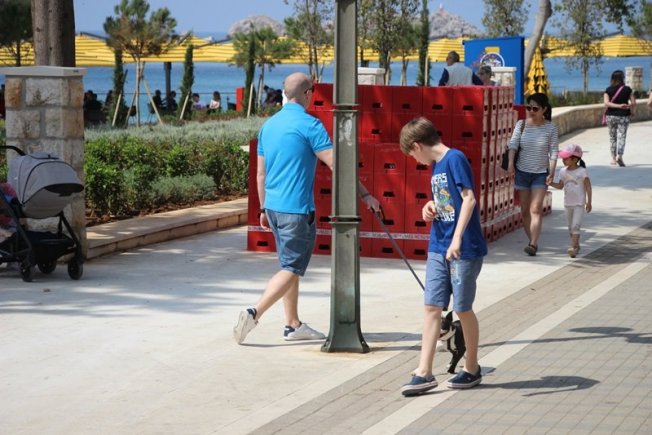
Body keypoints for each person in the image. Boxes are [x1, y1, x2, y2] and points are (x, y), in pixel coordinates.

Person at [233, 72, 380, 345]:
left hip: (273, 209)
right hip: (297, 210)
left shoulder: (268, 126)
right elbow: (336, 164)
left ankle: (292, 324)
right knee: (292, 267)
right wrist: (366, 194)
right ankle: (254, 313)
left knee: (290, 265)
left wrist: (262, 209)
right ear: (308, 94)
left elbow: (260, 175)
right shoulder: (310, 124)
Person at [397, 117, 487, 396]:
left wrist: (457, 237)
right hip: (438, 245)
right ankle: (424, 372)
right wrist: (430, 206)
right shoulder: (436, 166)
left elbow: (469, 199)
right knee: (431, 306)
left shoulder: (454, 158)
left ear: (417, 145)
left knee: (462, 308)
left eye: (412, 154)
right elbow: (448, 200)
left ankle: (472, 368)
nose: (415, 160)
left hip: (463, 248)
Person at [507, 93, 559, 257]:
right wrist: (510, 163)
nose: (531, 111)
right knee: (524, 210)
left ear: (544, 109)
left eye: (535, 108)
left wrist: (552, 172)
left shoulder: (551, 128)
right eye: (528, 107)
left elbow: (554, 152)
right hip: (522, 172)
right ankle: (532, 240)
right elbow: (513, 145)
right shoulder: (521, 125)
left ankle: (533, 243)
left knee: (535, 208)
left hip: (540, 174)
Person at [547, 144, 592, 258]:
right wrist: (551, 183)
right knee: (570, 227)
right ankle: (576, 245)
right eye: (563, 158)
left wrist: (589, 202)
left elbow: (588, 187)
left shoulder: (582, 171)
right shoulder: (562, 171)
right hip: (568, 204)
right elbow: (560, 186)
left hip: (579, 204)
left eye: (566, 158)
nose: (563, 160)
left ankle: (573, 247)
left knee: (576, 225)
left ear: (575, 159)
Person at [604, 70, 636, 167]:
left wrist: (617, 106)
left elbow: (606, 103)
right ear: (622, 78)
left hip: (611, 116)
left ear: (612, 79)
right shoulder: (627, 89)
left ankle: (613, 159)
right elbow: (633, 103)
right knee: (622, 136)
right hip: (624, 115)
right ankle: (620, 156)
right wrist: (631, 110)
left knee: (612, 137)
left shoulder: (608, 90)